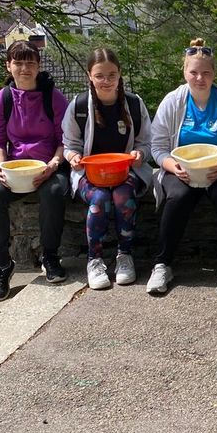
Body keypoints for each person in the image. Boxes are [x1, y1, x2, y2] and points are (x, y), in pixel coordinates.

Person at [147, 39, 217, 294]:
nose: (199, 78)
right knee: (179, 196)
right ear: (184, 73)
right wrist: (174, 167)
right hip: (180, 170)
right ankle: (162, 264)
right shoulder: (172, 102)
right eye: (193, 72)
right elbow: (158, 148)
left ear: (214, 73)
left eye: (206, 73)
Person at [0, 40, 69, 301]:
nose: (24, 68)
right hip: (16, 168)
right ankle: (2, 264)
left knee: (53, 193)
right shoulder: (2, 100)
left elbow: (66, 140)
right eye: (18, 62)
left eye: (30, 62)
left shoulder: (53, 98)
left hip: (51, 166)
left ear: (38, 66)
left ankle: (50, 256)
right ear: (9, 66)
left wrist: (53, 164)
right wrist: (0, 166)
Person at [62, 48, 153, 290]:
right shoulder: (80, 105)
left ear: (119, 74)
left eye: (112, 75)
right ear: (89, 76)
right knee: (100, 199)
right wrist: (73, 157)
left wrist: (140, 154)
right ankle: (95, 259)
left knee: (123, 196)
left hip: (126, 172)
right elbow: (69, 144)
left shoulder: (134, 104)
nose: (106, 81)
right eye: (100, 75)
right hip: (90, 174)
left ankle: (125, 255)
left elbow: (146, 142)